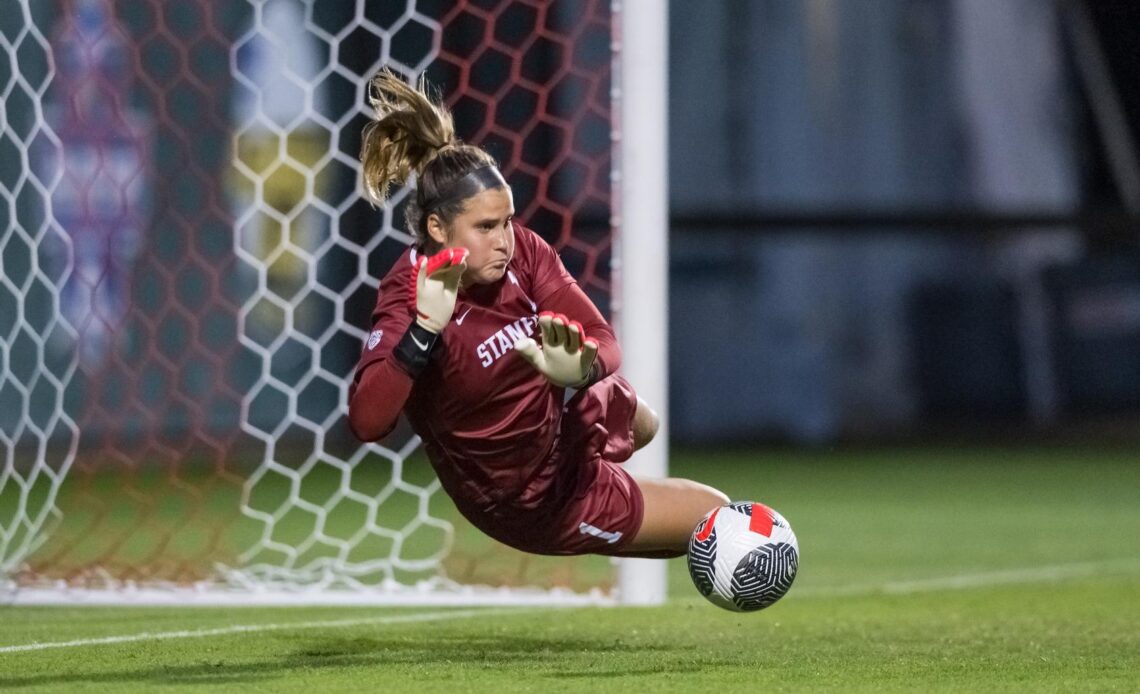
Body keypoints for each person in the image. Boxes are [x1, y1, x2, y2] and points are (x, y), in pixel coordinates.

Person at [348, 69, 728, 559]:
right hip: (527, 497)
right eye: (486, 226)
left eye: (508, 220)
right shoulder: (407, 296)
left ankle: (613, 481)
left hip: (563, 424)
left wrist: (581, 369)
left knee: (643, 421)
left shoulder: (523, 250)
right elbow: (367, 421)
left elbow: (603, 338)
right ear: (438, 228)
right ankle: (617, 510)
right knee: (719, 523)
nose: (505, 240)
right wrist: (424, 330)